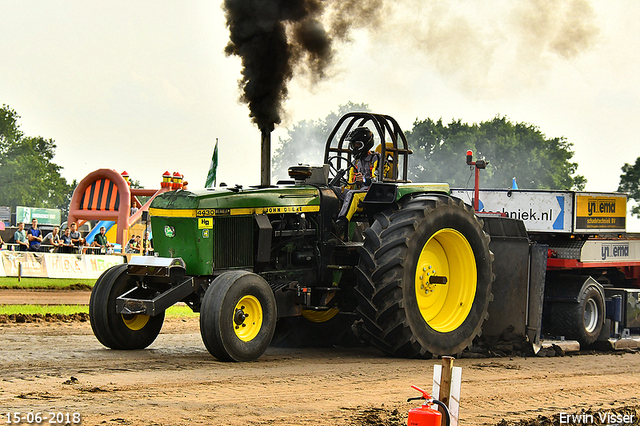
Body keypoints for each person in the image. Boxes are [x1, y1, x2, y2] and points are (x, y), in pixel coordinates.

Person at [334, 127, 381, 233]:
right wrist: (340, 188)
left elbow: (378, 180)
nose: (354, 147)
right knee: (332, 191)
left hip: (371, 192)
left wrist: (364, 179)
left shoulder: (376, 158)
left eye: (357, 144)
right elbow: (350, 184)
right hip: (359, 191)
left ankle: (341, 223)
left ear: (366, 144)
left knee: (352, 194)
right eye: (353, 145)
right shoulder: (355, 162)